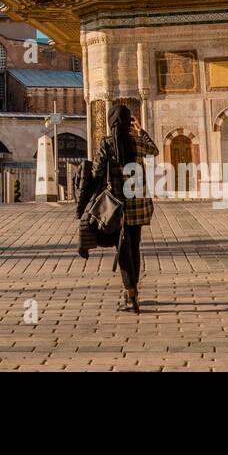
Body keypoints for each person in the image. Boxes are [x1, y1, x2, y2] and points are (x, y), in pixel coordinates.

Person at [76, 104, 158, 314]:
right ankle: (133, 291)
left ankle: (131, 296)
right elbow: (154, 150)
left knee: (123, 250)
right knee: (134, 247)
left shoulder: (107, 144)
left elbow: (96, 173)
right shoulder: (138, 142)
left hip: (116, 208)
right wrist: (140, 130)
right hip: (139, 206)